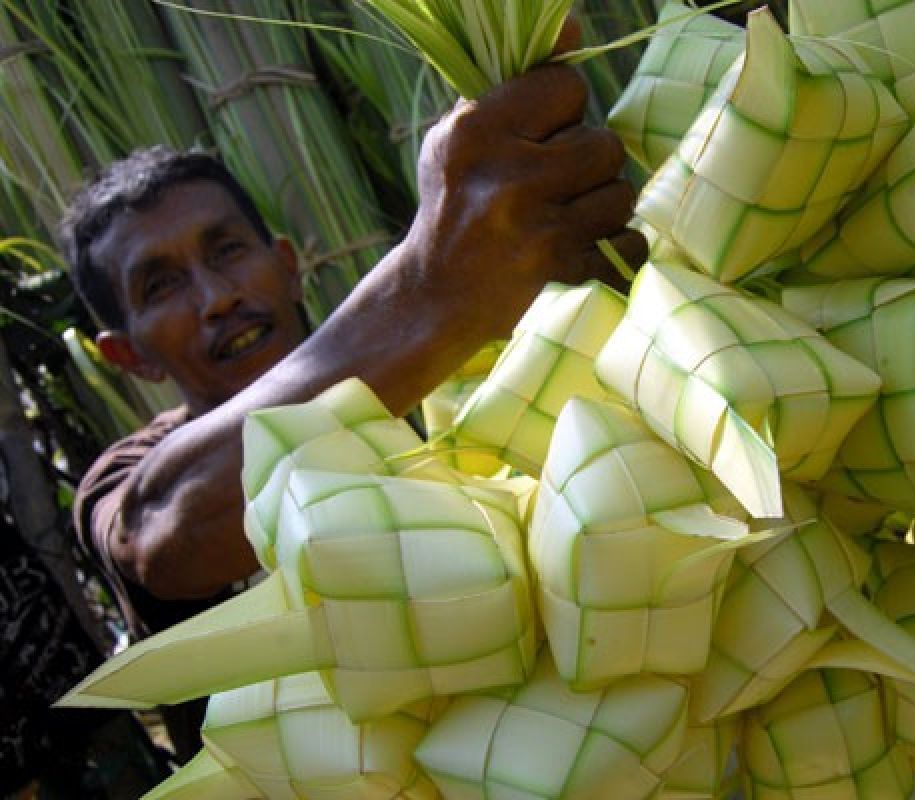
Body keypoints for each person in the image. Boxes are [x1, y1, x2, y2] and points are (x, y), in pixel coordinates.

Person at [64, 63, 645, 760]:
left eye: (228, 251)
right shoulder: (128, 481)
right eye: (161, 285)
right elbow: (167, 531)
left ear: (287, 264)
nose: (216, 295)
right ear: (128, 356)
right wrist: (434, 291)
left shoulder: (450, 394)